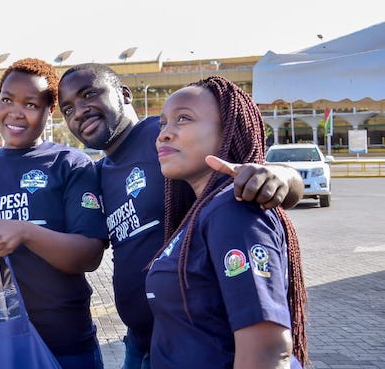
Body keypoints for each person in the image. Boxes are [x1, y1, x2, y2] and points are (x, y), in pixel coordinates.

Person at [57, 63, 304, 369]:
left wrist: (281, 176)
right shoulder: (96, 174)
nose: (78, 112)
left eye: (88, 94)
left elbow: (254, 174)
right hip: (143, 344)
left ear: (123, 94)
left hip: (203, 341)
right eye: (67, 109)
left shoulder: (165, 140)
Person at [146, 75, 308, 368]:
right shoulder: (202, 210)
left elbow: (268, 349)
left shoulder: (233, 210)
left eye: (183, 119)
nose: (164, 134)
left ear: (229, 133)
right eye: (162, 123)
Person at [0, 58, 108, 369]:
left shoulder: (69, 164)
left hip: (66, 346)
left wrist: (25, 232)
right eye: (7, 99)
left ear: (50, 111)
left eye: (30, 104)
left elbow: (89, 254)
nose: (15, 112)